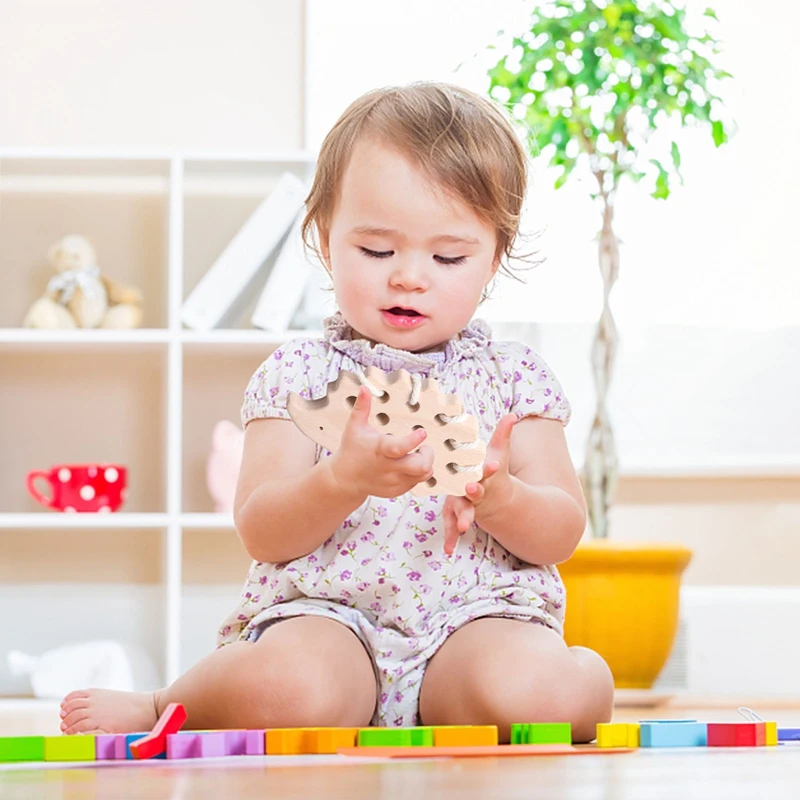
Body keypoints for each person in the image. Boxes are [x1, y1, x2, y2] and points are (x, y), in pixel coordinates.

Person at [60, 82, 613, 743]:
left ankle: (568, 675)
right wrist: (341, 481)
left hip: (478, 621)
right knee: (288, 691)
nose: (409, 276)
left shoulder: (513, 375)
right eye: (377, 251)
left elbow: (561, 530)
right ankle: (164, 705)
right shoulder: (301, 375)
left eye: (448, 256)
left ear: (494, 255)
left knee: (535, 697)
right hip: (327, 622)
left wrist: (500, 497)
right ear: (325, 240)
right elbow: (262, 530)